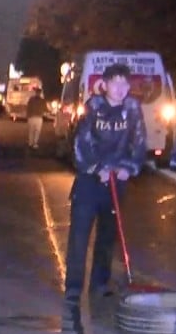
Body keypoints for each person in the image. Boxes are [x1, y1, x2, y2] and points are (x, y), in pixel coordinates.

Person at [63, 64, 147, 313]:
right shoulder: (93, 107)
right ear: (105, 84)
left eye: (124, 83)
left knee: (107, 236)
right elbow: (80, 143)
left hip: (116, 181)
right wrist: (96, 167)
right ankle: (74, 286)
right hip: (89, 182)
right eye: (115, 83)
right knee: (79, 236)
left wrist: (129, 167)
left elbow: (139, 143)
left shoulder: (132, 109)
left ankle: (100, 282)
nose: (120, 89)